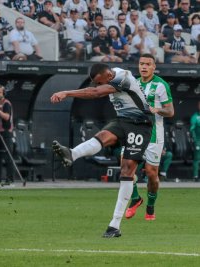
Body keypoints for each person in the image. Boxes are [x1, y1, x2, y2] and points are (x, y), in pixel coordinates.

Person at [50, 63, 153, 238]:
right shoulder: (108, 77)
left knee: (127, 171)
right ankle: (72, 154)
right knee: (102, 136)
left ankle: (115, 224)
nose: (98, 85)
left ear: (108, 75)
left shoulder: (123, 77)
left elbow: (95, 93)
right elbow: (96, 89)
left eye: (99, 81)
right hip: (122, 120)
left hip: (140, 125)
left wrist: (66, 93)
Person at [124, 53, 174, 221]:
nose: (144, 67)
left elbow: (170, 111)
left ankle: (151, 205)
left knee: (152, 174)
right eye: (141, 64)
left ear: (154, 67)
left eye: (147, 64)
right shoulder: (134, 84)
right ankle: (136, 198)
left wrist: (156, 110)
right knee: (125, 163)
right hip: (135, 131)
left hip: (153, 134)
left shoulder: (161, 85)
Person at [190, 101, 200, 182]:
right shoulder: (195, 117)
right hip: (198, 141)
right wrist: (195, 141)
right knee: (197, 159)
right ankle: (195, 176)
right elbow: (192, 129)